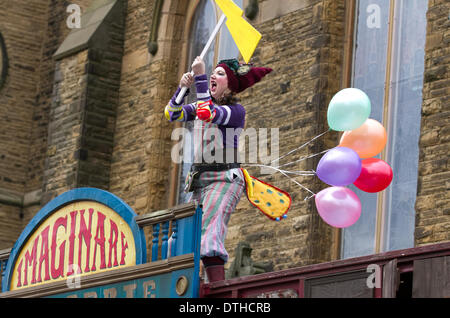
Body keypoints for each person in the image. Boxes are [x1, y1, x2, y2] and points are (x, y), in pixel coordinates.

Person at [165, 56, 272, 282]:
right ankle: (188, 287)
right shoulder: (201, 104)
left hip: (224, 179)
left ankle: (216, 291)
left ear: (230, 84)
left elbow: (208, 113)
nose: (214, 75)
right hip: (199, 181)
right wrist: (183, 88)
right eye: (213, 72)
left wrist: (201, 77)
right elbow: (171, 113)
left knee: (209, 236)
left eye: (220, 74)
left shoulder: (236, 111)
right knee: (181, 239)